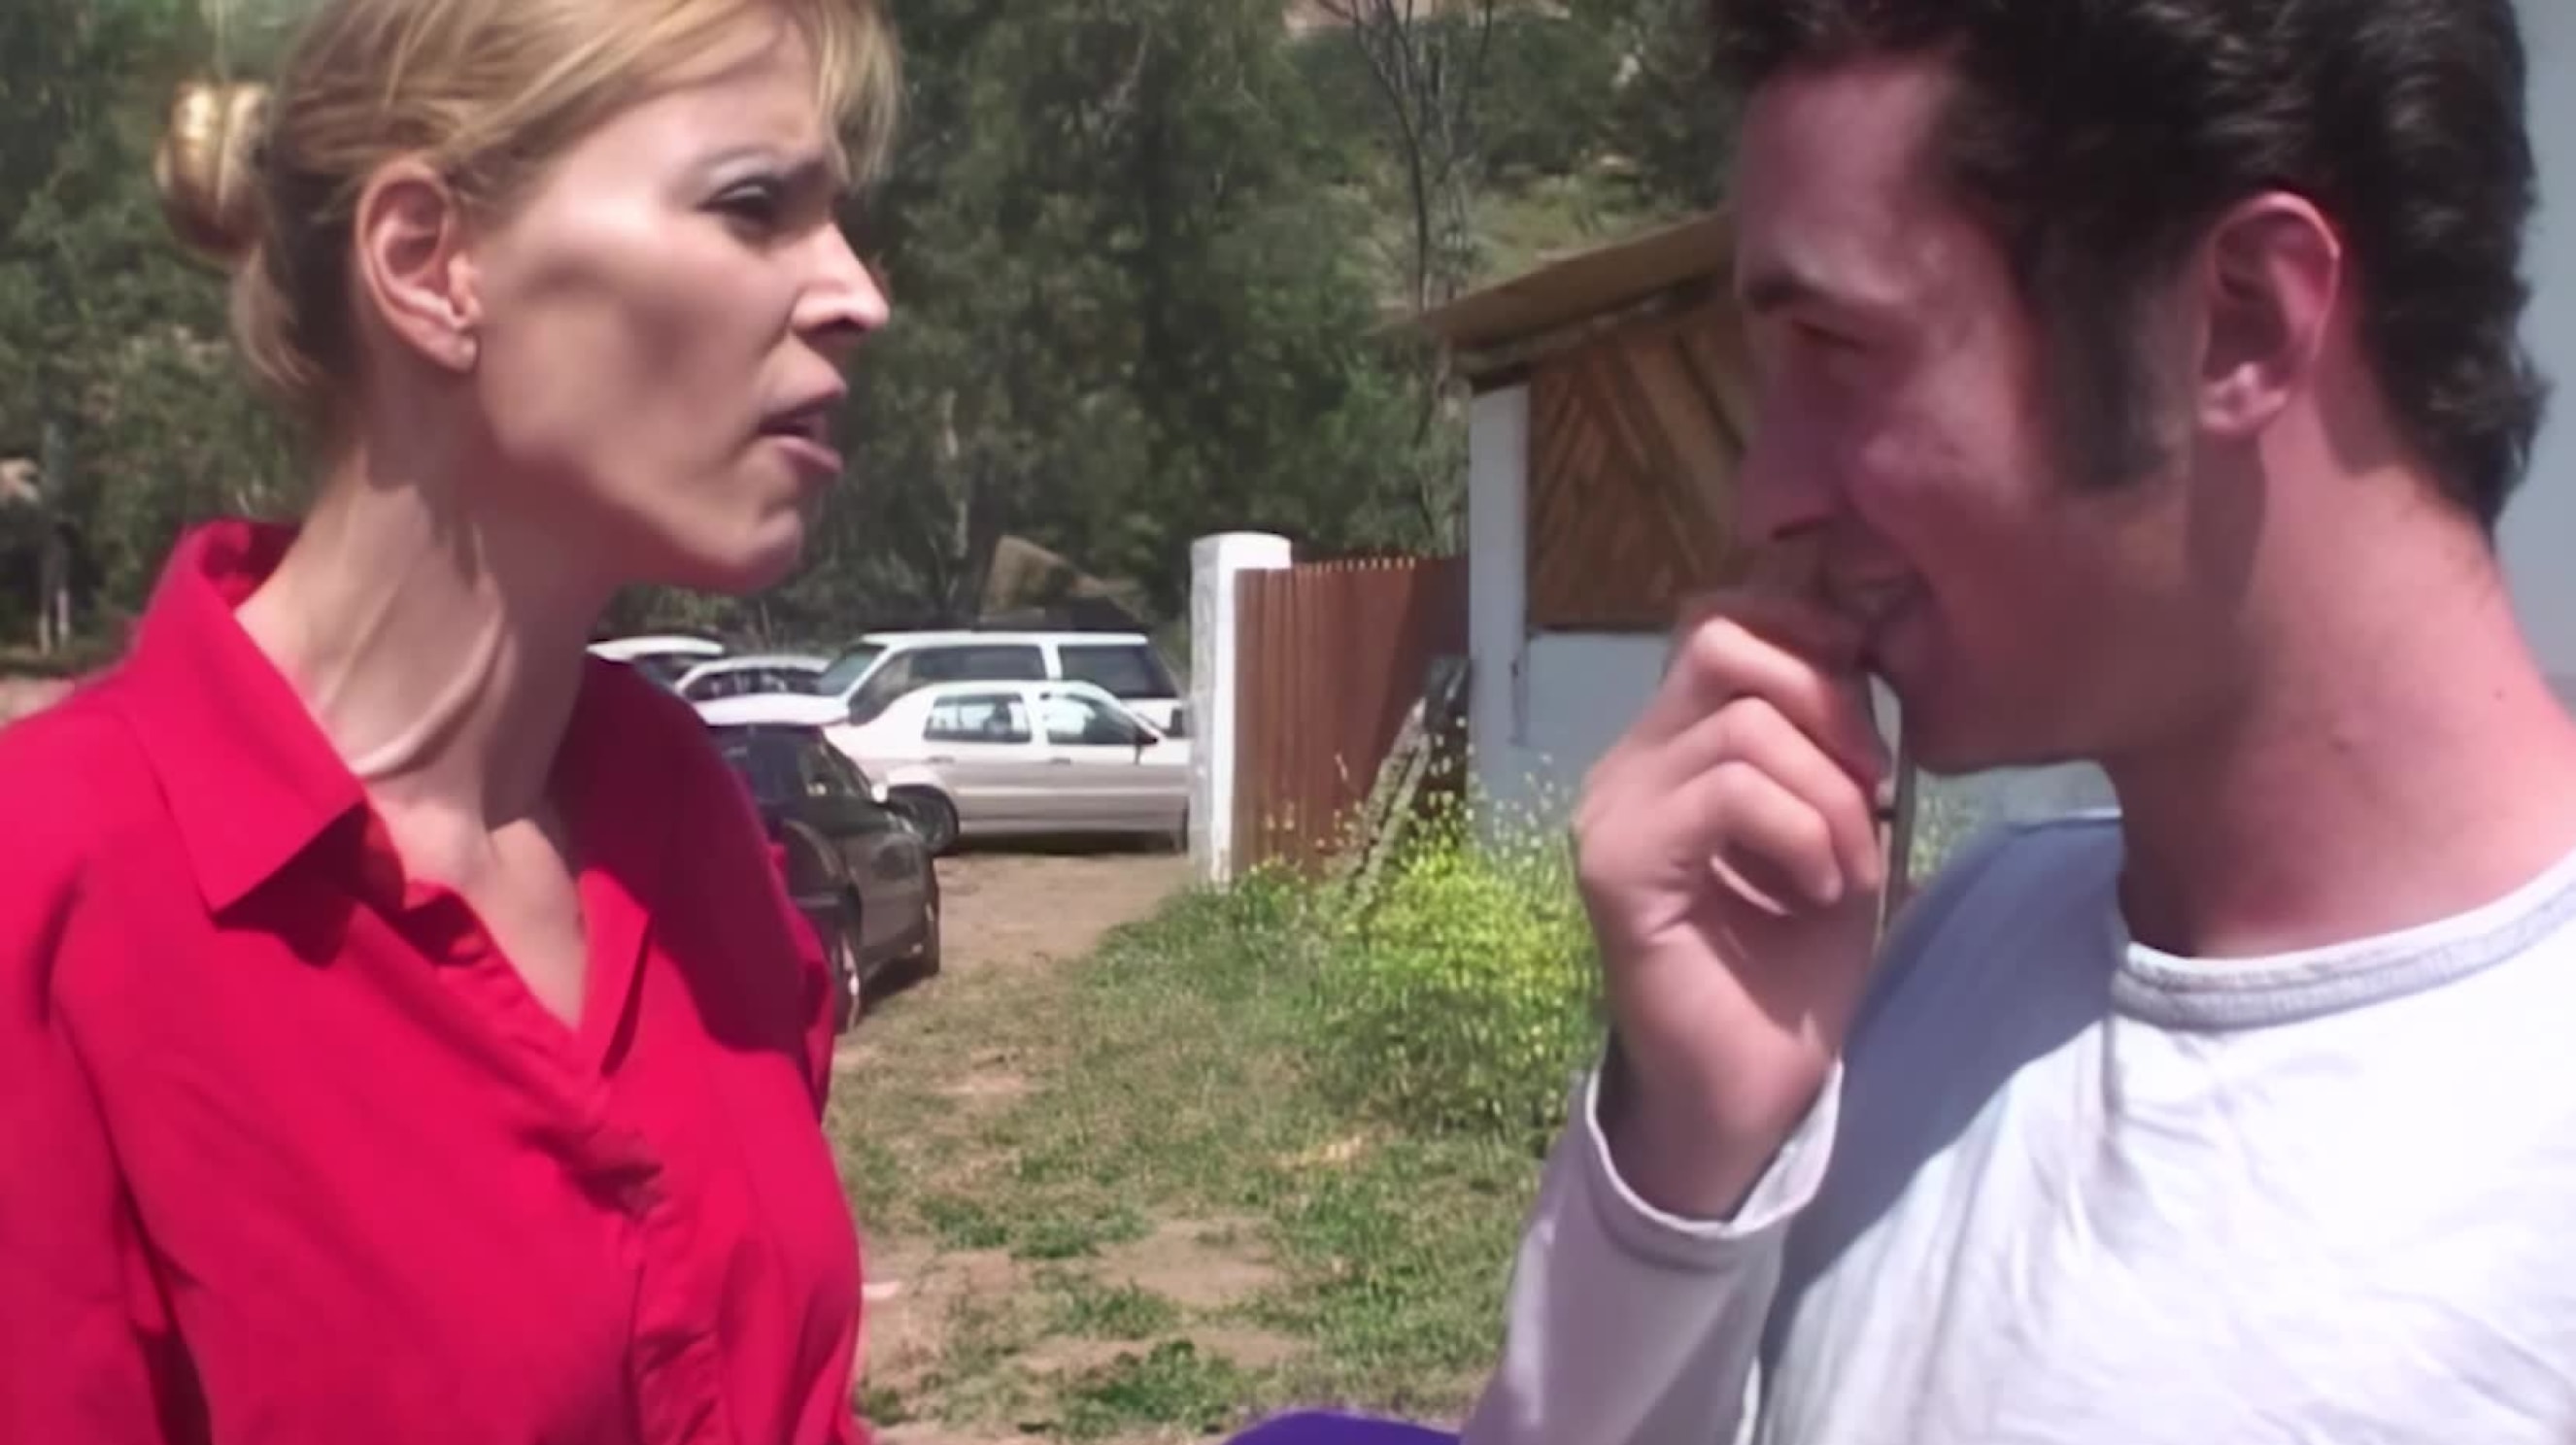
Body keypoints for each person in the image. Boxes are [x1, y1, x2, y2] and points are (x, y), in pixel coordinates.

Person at [1463, 1, 2576, 1441]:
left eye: (1842, 354)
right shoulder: (1949, 958)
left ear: (2242, 318)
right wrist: (1687, 1156)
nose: (1766, 497)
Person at [0, 0, 896, 1440]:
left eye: (834, 218)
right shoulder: (48, 894)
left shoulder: (683, 815)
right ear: (430, 264)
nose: (856, 293)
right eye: (752, 207)